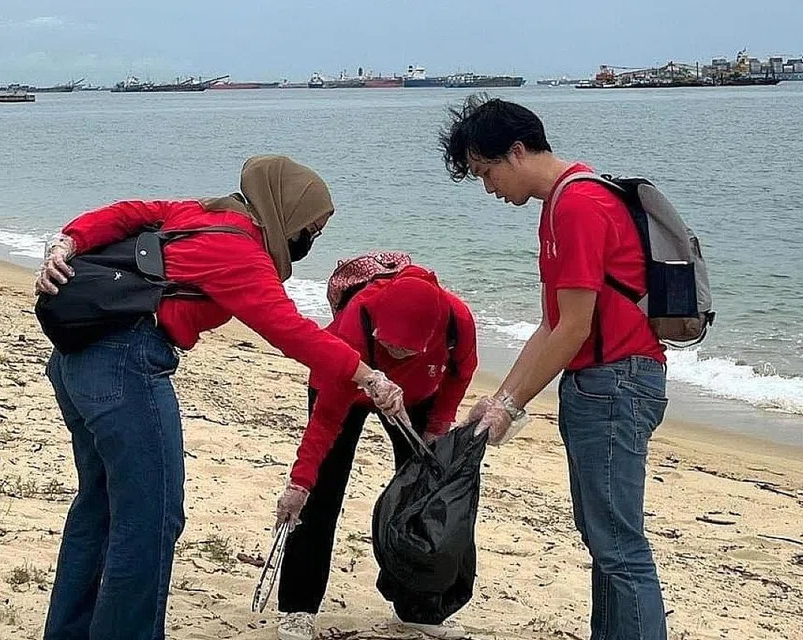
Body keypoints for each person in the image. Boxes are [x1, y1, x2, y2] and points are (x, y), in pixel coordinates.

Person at [34, 155, 408, 640]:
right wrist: (369, 376)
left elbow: (128, 211)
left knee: (99, 506)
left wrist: (70, 239)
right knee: (152, 518)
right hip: (124, 366)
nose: (310, 240)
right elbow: (292, 332)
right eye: (310, 227)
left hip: (76, 362)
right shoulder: (241, 253)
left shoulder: (201, 213)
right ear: (285, 211)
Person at [439, 96, 670, 640]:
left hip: (617, 382)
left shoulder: (579, 204)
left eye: (486, 171)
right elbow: (552, 325)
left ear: (517, 152)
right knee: (603, 540)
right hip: (604, 380)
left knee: (619, 545)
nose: (488, 187)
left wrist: (513, 406)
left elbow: (574, 328)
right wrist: (500, 400)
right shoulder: (562, 201)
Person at [273, 264, 478, 640]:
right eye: (389, 344)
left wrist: (437, 427)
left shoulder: (457, 320)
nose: (395, 353)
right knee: (321, 492)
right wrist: (299, 483)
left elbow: (462, 372)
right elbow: (325, 420)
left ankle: (420, 607)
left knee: (425, 497)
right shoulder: (358, 320)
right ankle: (298, 607)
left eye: (405, 349)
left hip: (420, 395)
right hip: (348, 381)